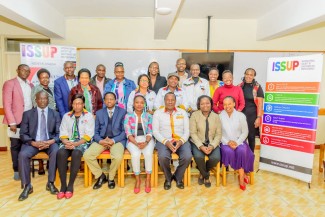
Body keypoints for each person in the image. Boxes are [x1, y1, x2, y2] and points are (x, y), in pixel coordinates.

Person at [18, 91, 61, 201]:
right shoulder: (27, 114)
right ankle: (27, 186)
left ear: (48, 100)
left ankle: (50, 183)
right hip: (33, 143)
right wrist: (33, 143)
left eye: (45, 98)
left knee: (56, 151)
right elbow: (23, 133)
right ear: (36, 100)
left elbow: (59, 134)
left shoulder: (55, 114)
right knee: (22, 154)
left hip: (49, 143)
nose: (42, 101)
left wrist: (50, 142)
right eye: (40, 99)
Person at [83, 92, 127, 190]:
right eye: (107, 99)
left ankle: (111, 177)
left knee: (117, 156)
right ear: (104, 101)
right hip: (102, 140)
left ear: (115, 101)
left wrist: (113, 140)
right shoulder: (99, 113)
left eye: (111, 99)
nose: (109, 101)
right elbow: (96, 131)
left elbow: (125, 131)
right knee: (87, 155)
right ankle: (100, 176)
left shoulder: (123, 112)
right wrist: (100, 141)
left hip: (117, 140)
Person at [56, 94, 95, 199]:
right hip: (67, 142)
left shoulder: (89, 116)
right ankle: (63, 185)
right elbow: (62, 133)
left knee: (76, 153)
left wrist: (76, 144)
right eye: (75, 103)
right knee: (60, 153)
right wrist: (66, 142)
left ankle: (70, 185)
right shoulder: (66, 116)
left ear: (83, 105)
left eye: (79, 103)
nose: (77, 106)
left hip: (82, 143)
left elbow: (89, 135)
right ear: (72, 105)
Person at [153, 92, 192, 190]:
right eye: (168, 100)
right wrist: (165, 141)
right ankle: (168, 177)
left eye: (172, 100)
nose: (170, 102)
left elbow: (187, 131)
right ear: (164, 101)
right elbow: (155, 132)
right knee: (162, 157)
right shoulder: (158, 113)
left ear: (175, 101)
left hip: (180, 140)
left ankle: (178, 177)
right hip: (164, 140)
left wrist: (181, 141)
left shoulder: (182, 112)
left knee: (187, 156)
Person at [2, 64, 34, 180]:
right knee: (15, 145)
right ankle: (16, 170)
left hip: (28, 121)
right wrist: (12, 122)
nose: (25, 72)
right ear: (17, 70)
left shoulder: (31, 85)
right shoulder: (10, 83)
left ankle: (24, 167)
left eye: (27, 70)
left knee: (26, 145)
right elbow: (6, 104)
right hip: (16, 121)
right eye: (23, 70)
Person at [219, 96, 254, 191]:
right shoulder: (220, 116)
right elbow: (218, 133)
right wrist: (227, 142)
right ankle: (242, 174)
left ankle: (241, 177)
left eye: (229, 104)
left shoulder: (241, 115)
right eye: (225, 104)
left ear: (234, 104)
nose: (227, 106)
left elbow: (245, 132)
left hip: (239, 141)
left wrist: (237, 142)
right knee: (229, 152)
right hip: (225, 142)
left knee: (241, 151)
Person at [124, 95, 155, 193]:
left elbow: (150, 131)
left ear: (144, 104)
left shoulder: (149, 116)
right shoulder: (128, 116)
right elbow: (128, 133)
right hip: (133, 140)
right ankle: (137, 179)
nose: (139, 104)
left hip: (147, 140)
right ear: (133, 104)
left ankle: (148, 179)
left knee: (148, 154)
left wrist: (146, 142)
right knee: (135, 154)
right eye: (137, 102)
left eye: (142, 102)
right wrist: (137, 143)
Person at [190, 95, 222, 188]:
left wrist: (212, 146)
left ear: (211, 104)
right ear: (199, 105)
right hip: (198, 143)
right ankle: (206, 176)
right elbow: (193, 133)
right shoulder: (194, 115)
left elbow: (218, 134)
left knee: (215, 158)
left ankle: (202, 172)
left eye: (207, 103)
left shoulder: (216, 116)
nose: (205, 105)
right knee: (198, 157)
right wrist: (201, 146)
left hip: (212, 142)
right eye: (202, 103)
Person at [238, 68, 264, 152]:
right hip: (241, 115)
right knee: (241, 137)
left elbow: (260, 104)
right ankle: (242, 157)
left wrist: (258, 117)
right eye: (247, 74)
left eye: (251, 75)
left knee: (251, 137)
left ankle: (250, 158)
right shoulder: (239, 86)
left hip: (252, 116)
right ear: (244, 74)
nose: (249, 76)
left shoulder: (257, 87)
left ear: (254, 76)